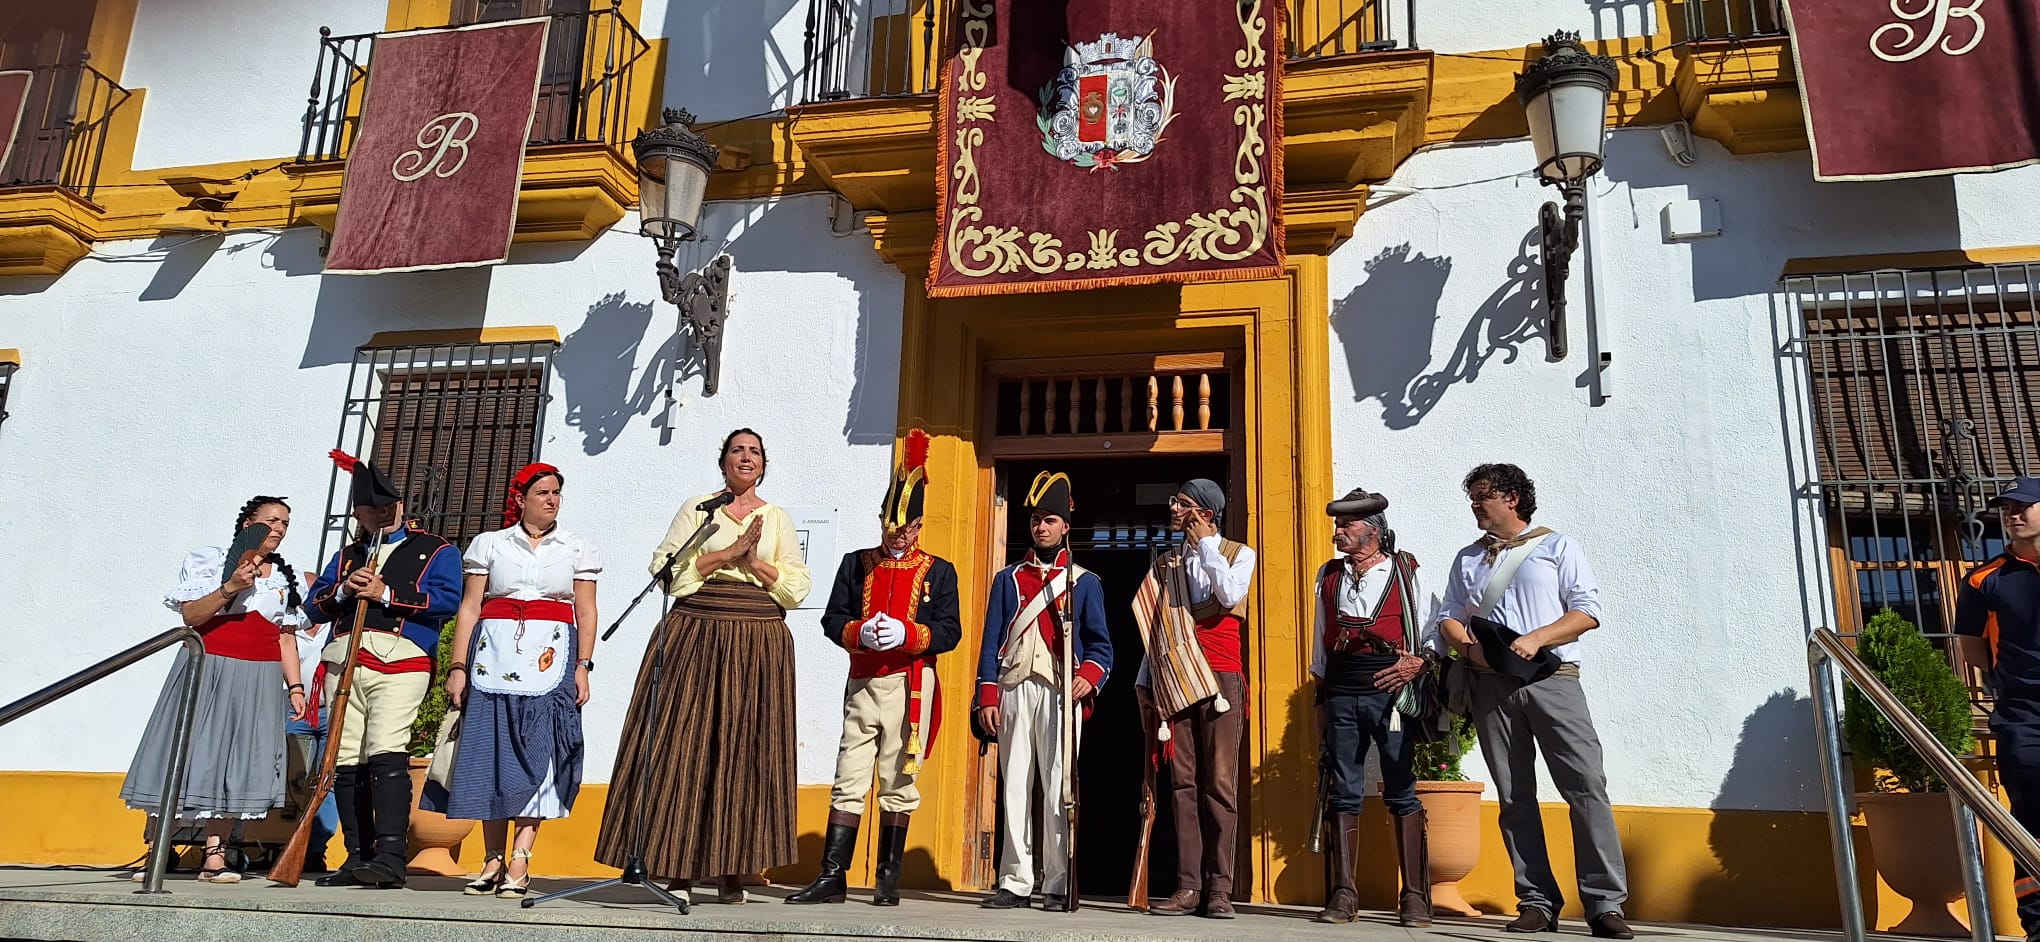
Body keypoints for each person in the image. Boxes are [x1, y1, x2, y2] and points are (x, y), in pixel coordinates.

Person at [595, 428, 812, 904]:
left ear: (764, 464)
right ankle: (677, 867)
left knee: (745, 750)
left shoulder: (777, 518)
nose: (746, 457)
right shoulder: (700, 510)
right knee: (683, 745)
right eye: (738, 450)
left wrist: (753, 561)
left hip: (757, 639)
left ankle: (734, 869)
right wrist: (723, 555)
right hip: (695, 629)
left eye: (755, 451)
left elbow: (796, 589)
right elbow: (666, 572)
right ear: (723, 462)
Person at [1436, 463, 1630, 939]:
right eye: (1474, 497)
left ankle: (1605, 903)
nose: (1475, 505)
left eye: (1483, 496)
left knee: (1586, 785)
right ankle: (1537, 901)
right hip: (1491, 686)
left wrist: (1538, 638)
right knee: (1514, 794)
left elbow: (1588, 610)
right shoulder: (1468, 557)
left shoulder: (1557, 546)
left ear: (1512, 499)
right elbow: (1448, 615)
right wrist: (1469, 648)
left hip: (1553, 679)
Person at [788, 429, 963, 907]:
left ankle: (888, 877)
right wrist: (858, 632)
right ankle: (833, 875)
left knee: (898, 780)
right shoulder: (855, 563)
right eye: (890, 526)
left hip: (910, 686)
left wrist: (911, 635)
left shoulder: (939, 570)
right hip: (862, 682)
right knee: (849, 775)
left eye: (905, 529)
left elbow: (951, 632)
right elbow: (832, 619)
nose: (896, 536)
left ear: (919, 525)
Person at [429, 463, 599, 899]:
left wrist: (583, 663)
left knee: (539, 755)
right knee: (492, 755)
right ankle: (491, 859)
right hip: (492, 660)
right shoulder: (491, 544)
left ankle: (521, 859)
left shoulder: (575, 548)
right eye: (542, 492)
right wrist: (458, 666)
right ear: (521, 498)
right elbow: (469, 608)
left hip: (551, 660)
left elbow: (586, 609)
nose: (552, 499)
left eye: (557, 492)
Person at [121, 496, 311, 884]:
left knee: (239, 760)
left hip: (259, 675)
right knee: (187, 751)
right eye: (272, 520)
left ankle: (214, 855)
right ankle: (159, 848)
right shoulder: (211, 560)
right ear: (249, 525)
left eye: (286, 523)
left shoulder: (282, 577)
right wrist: (230, 587)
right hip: (209, 667)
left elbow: (286, 638)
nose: (279, 528)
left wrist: (295, 687)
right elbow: (191, 615)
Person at [306, 450, 463, 889]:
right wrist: (342, 589)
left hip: (401, 660)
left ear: (400, 506)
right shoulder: (347, 556)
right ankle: (358, 855)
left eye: (386, 506)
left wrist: (386, 593)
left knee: (387, 753)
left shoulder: (436, 549)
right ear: (358, 513)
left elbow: (448, 600)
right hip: (345, 661)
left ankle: (391, 856)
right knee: (348, 759)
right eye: (370, 509)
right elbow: (312, 608)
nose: (380, 514)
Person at [974, 471, 1112, 911]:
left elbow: (1101, 645)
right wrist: (988, 697)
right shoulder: (1008, 579)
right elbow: (991, 640)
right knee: (1014, 784)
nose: (1041, 527)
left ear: (1065, 526)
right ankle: (1015, 880)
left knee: (1058, 788)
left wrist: (1089, 676)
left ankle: (1056, 880)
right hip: (1016, 687)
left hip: (1060, 691)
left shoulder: (1084, 581)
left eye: (1050, 520)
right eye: (1036, 520)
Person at [1308, 487, 1437, 927]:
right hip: (1342, 690)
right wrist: (1320, 701)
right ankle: (1344, 894)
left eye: (1347, 525)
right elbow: (1319, 645)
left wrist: (1417, 663)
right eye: (1337, 525)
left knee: (1401, 785)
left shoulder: (1406, 571)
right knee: (1344, 787)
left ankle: (1415, 896)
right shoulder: (1328, 576)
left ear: (1374, 531)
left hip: (1390, 690)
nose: (1338, 533)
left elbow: (1430, 628)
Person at [1132, 478, 1254, 918]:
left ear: (1205, 513)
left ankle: (1219, 888)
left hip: (1221, 680)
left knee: (1219, 785)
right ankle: (1188, 887)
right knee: (1181, 784)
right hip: (1175, 677)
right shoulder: (1166, 564)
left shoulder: (1240, 555)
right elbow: (1156, 630)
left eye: (1181, 504)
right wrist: (1145, 682)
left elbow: (1230, 596)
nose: (1173, 509)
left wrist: (1205, 548)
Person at [1955, 475, 2040, 942]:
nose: (2014, 513)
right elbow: (1972, 648)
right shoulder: (1984, 579)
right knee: (2031, 821)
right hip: (2024, 715)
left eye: (2024, 505)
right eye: (2008, 507)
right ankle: (2039, 924)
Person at [286, 616, 339, 874]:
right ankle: (278, 844)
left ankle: (315, 849)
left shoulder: (335, 625)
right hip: (293, 710)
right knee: (290, 780)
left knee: (326, 782)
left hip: (329, 710)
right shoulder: (289, 627)